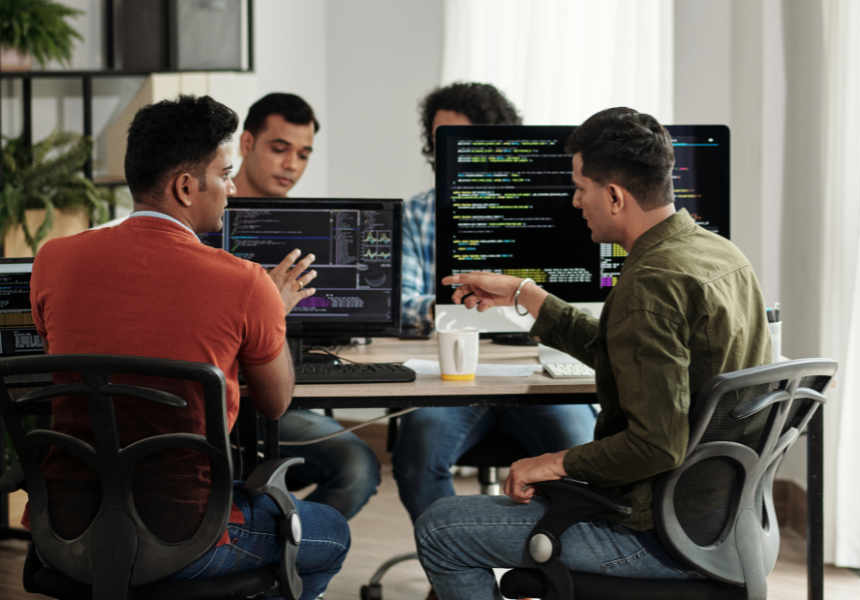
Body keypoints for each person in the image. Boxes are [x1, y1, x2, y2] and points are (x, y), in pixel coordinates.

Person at [413, 108, 773, 600]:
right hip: (724, 524)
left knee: (441, 528)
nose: (575, 200)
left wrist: (554, 462)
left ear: (614, 196)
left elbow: (655, 445)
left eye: (580, 186)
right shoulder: (720, 254)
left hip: (655, 536)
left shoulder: (650, 283)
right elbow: (625, 350)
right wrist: (526, 294)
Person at [30, 94, 349, 599]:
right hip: (185, 536)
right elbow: (276, 401)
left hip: (65, 530)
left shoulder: (53, 258)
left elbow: (73, 361)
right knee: (330, 532)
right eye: (225, 175)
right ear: (184, 186)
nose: (230, 189)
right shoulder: (246, 282)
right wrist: (273, 313)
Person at [391, 83, 596, 532]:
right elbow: (402, 304)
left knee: (584, 451)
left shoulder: (555, 211)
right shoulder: (420, 214)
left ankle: (545, 567)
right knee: (417, 455)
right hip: (453, 375)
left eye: (459, 141)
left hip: (539, 371)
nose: (446, 152)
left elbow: (577, 304)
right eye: (438, 140)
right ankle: (456, 566)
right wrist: (456, 309)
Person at [231, 92, 382, 520]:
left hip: (285, 396)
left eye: (303, 154)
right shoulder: (207, 220)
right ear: (246, 143)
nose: (292, 164)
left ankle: (286, 555)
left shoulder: (309, 230)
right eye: (280, 149)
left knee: (358, 467)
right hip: (216, 400)